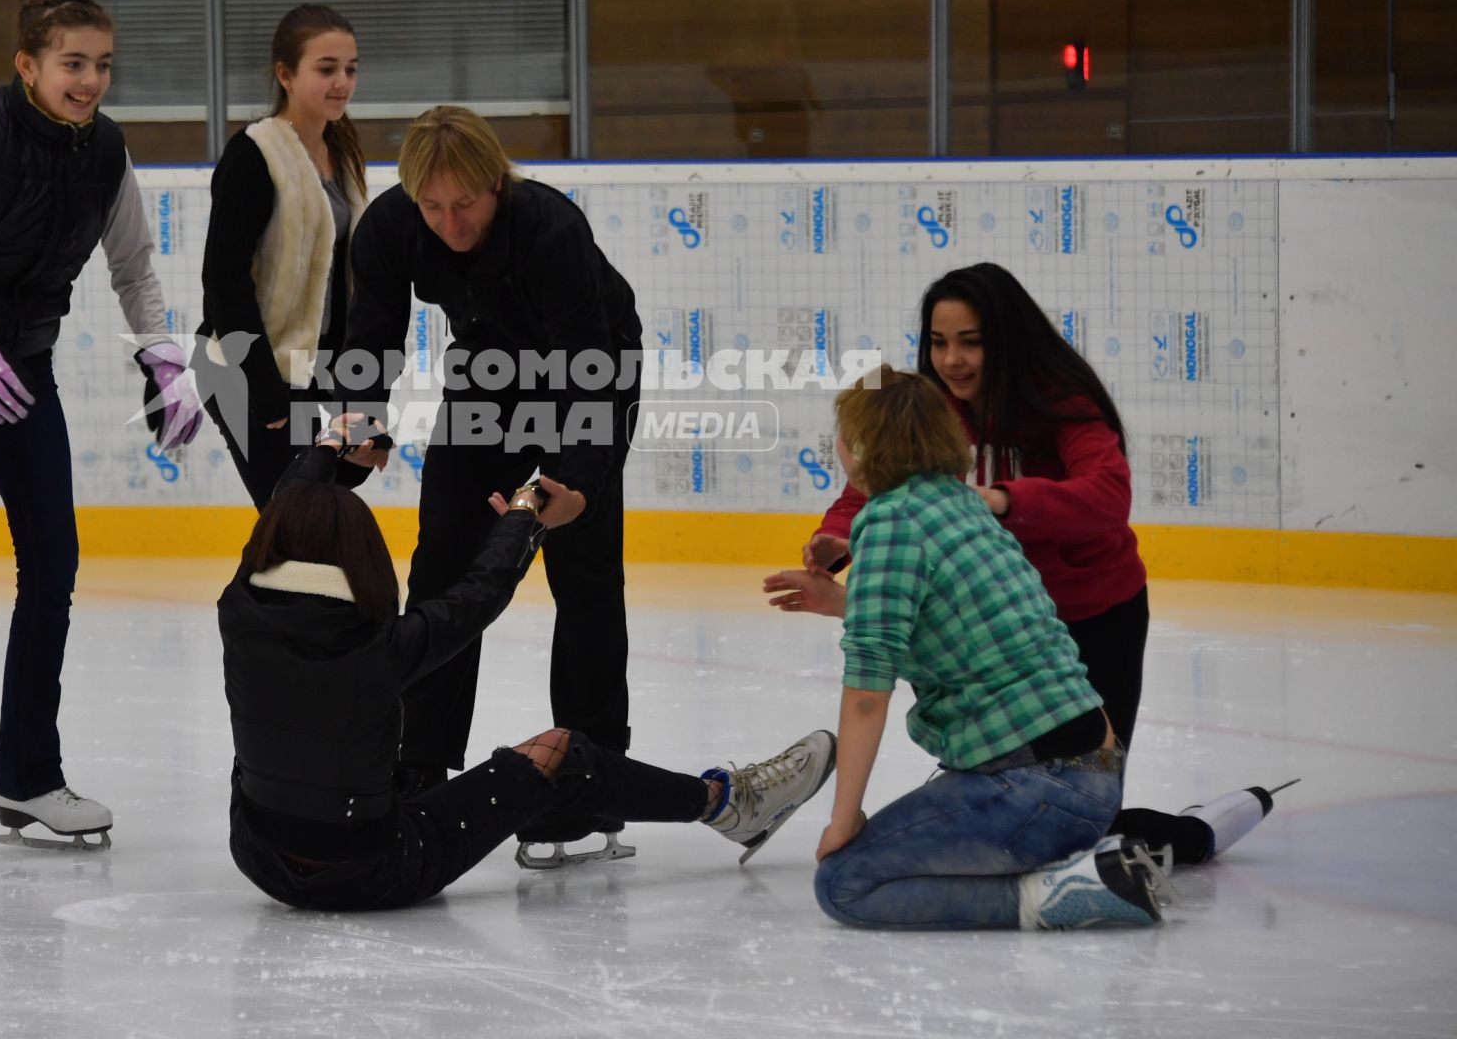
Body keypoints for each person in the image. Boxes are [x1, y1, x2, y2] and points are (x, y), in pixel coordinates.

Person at [773, 261, 1288, 866]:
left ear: (1006, 340)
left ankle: (1194, 835)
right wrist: (837, 537)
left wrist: (1003, 498)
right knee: (1020, 804)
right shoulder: (936, 405)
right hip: (992, 627)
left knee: (1079, 811)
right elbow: (881, 477)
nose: (951, 360)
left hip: (1091, 617)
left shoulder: (1062, 404)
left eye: (971, 342)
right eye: (939, 343)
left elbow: (1107, 496)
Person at [219, 418, 837, 911]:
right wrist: (522, 513)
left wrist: (329, 445)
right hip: (372, 870)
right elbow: (479, 593)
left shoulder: (237, 607)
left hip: (258, 853)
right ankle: (729, 804)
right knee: (562, 750)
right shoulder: (384, 647)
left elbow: (285, 509)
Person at [0, 0, 203, 870]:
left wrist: (163, 357)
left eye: (102, 64)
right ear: (28, 65)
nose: (90, 80)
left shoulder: (107, 154)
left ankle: (27, 774)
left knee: (52, 557)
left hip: (20, 364)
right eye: (72, 63)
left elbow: (133, 268)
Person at [335, 104, 644, 865]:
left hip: (593, 369)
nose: (449, 222)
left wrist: (573, 481)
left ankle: (590, 771)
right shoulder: (389, 227)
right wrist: (360, 424)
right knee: (443, 558)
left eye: (464, 204)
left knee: (585, 571)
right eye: (432, 206)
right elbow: (370, 337)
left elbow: (590, 369)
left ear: (495, 184)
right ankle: (420, 757)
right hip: (488, 374)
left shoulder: (551, 229)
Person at [808, 367, 1173, 930]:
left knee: (844, 885)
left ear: (856, 446)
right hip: (1095, 773)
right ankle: (1068, 869)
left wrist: (843, 816)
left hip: (1038, 790)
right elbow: (940, 619)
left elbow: (865, 694)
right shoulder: (960, 502)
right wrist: (838, 601)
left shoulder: (887, 520)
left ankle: (1063, 894)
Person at [198, 4, 370, 507]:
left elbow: (345, 281)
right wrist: (263, 387)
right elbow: (223, 280)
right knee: (298, 525)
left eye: (350, 69)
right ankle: (255, 591)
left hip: (314, 369)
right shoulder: (254, 154)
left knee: (322, 518)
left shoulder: (344, 152)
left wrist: (352, 389)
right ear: (285, 74)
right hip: (248, 371)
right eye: (326, 68)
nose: (342, 81)